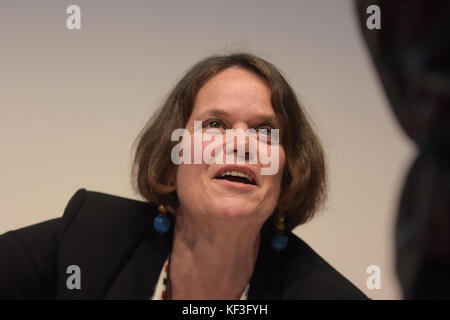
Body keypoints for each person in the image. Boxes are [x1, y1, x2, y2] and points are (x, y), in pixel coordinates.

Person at [0, 53, 367, 299]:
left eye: (265, 131)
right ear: (173, 155)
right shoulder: (89, 239)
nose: (240, 144)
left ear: (288, 171)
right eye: (214, 124)